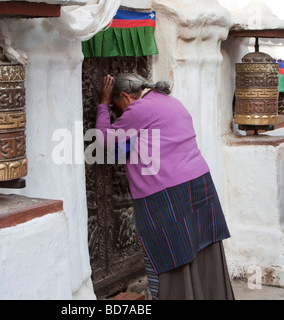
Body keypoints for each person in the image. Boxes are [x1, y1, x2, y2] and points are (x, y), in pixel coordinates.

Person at [96, 73, 234, 300]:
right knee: (201, 245)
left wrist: (102, 104)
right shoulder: (170, 102)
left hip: (169, 191)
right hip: (199, 183)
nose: (119, 113)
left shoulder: (137, 110)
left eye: (117, 106)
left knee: (168, 249)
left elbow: (104, 139)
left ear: (125, 97)